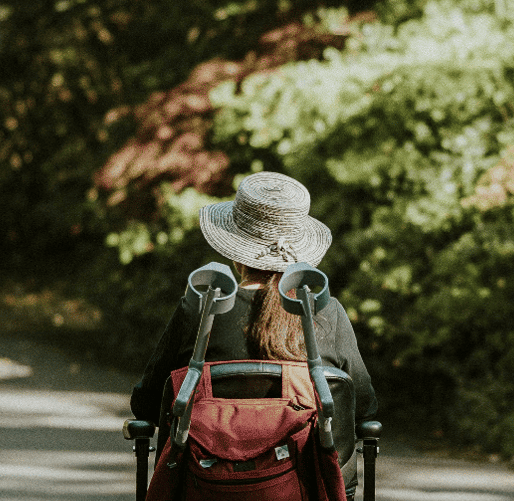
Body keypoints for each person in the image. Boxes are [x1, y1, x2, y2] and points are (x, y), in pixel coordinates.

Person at [129, 170, 376, 438]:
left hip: (207, 476)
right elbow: (363, 408)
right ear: (297, 252)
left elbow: (147, 405)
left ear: (236, 253)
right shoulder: (327, 312)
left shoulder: (199, 311)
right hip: (308, 478)